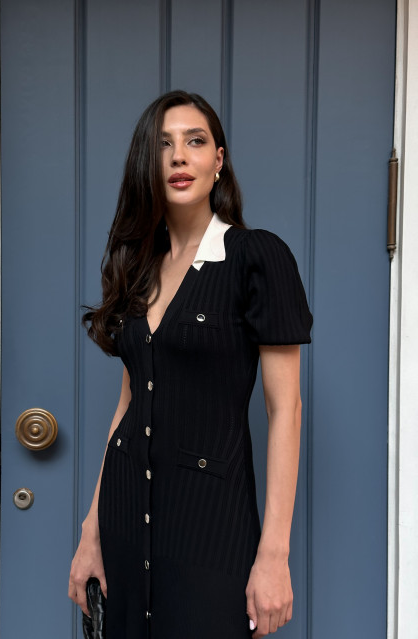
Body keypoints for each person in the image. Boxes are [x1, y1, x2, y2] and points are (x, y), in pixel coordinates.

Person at [68, 89, 313, 638]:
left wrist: (273, 555)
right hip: (124, 518)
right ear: (146, 163)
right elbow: (129, 404)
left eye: (195, 141)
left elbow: (286, 410)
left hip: (211, 527)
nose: (179, 157)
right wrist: (92, 530)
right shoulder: (138, 266)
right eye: (163, 145)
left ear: (218, 160)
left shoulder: (256, 257)